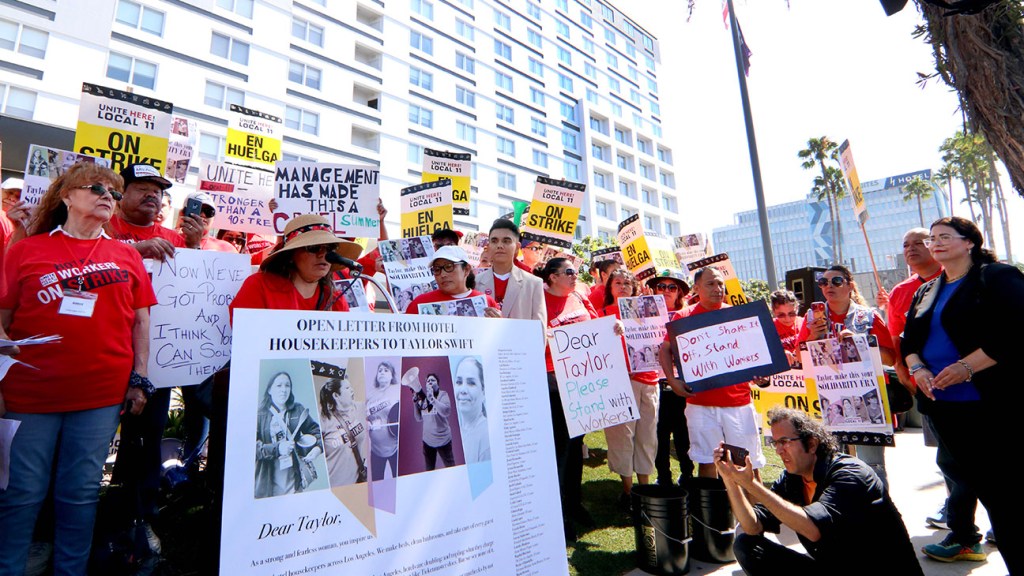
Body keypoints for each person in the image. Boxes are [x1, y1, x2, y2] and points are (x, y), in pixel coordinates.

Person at [0, 162, 157, 574]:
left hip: (101, 397)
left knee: (81, 492)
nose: (109, 196)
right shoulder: (25, 251)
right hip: (30, 395)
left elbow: (141, 321)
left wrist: (139, 378)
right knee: (21, 492)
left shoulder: (125, 255)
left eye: (115, 192)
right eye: (97, 188)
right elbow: (2, 317)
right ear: (67, 196)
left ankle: (70, 571)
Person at [902, 216, 1023, 570]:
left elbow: (1016, 331)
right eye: (932, 238)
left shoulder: (996, 277)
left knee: (1006, 497)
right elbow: (909, 340)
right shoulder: (927, 289)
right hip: (945, 411)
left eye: (944, 237)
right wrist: (919, 368)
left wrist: (966, 367)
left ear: (969, 242)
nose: (935, 243)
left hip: (992, 407)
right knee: (976, 487)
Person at [105, 163, 201, 556]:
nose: (151, 195)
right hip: (104, 354)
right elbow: (85, 255)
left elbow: (190, 288)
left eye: (157, 190)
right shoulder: (104, 226)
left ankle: (138, 519)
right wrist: (134, 251)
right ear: (120, 194)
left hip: (154, 361)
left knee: (145, 444)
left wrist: (193, 250)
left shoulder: (172, 237)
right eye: (141, 187)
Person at [718, 407, 923, 576]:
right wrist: (731, 481)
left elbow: (814, 530)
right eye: (775, 443)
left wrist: (752, 485)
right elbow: (752, 527)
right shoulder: (793, 478)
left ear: (812, 443)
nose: (779, 450)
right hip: (835, 567)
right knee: (746, 545)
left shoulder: (851, 474)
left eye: (784, 442)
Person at [881, 228, 956, 531]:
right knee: (946, 453)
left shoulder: (962, 278)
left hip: (971, 382)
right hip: (926, 385)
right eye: (905, 245)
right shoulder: (901, 292)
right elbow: (897, 341)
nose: (910, 249)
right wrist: (906, 375)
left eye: (918, 243)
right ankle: (955, 509)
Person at [659, 266, 765, 479]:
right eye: (710, 284)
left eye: (720, 283)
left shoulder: (737, 316)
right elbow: (665, 349)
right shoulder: (683, 316)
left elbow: (756, 356)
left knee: (747, 465)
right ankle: (712, 512)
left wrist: (762, 376)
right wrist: (673, 381)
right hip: (700, 405)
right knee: (708, 462)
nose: (717, 288)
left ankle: (756, 511)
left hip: (739, 403)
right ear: (696, 288)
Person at [797, 264, 894, 484]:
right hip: (828, 398)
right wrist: (813, 335)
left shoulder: (868, 316)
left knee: (873, 464)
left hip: (868, 398)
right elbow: (800, 359)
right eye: (823, 282)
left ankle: (878, 512)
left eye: (836, 281)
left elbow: (890, 358)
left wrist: (861, 343)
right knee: (831, 463)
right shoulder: (812, 317)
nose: (828, 286)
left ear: (850, 285)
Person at [539, 257, 598, 541]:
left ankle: (575, 502)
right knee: (560, 448)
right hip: (552, 380)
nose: (575, 276)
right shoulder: (538, 300)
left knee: (577, 446)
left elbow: (597, 328)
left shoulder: (579, 297)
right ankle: (559, 513)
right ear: (551, 277)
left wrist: (616, 330)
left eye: (576, 272)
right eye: (569, 272)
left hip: (582, 379)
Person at [602, 269, 659, 511]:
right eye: (617, 282)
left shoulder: (647, 311)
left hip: (650, 381)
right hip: (620, 381)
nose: (623, 286)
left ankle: (644, 488)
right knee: (622, 437)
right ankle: (628, 491)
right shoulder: (602, 314)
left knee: (647, 437)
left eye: (627, 282)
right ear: (610, 287)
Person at [230, 214, 358, 318]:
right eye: (313, 248)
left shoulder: (336, 299)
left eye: (330, 248)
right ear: (291, 255)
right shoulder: (259, 286)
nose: (323, 254)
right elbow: (246, 336)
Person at [645, 270, 694, 488]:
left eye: (671, 287)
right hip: (654, 382)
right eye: (661, 287)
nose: (665, 291)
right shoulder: (644, 314)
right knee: (659, 434)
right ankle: (663, 476)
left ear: (679, 292)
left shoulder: (687, 316)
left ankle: (687, 474)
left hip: (682, 382)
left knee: (684, 433)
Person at [106, 163, 202, 258]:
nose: (152, 195)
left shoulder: (175, 239)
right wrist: (136, 249)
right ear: (121, 193)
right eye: (142, 189)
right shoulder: (101, 227)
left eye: (157, 192)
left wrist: (194, 246)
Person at [255, 372, 323, 498]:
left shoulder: (298, 410)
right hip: (267, 486)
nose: (283, 390)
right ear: (269, 390)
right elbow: (252, 449)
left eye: (287, 386)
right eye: (279, 386)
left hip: (294, 482)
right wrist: (277, 449)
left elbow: (317, 432)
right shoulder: (259, 415)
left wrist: (317, 449)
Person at [475, 218, 546, 322]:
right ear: (489, 246)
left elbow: (539, 330)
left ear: (517, 247)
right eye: (494, 241)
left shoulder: (534, 284)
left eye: (506, 241)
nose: (499, 245)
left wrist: (504, 325)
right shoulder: (475, 282)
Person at [405, 246, 500, 315]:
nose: (443, 274)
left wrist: (498, 324)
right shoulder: (419, 304)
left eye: (449, 267)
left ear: (466, 269)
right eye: (437, 269)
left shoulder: (487, 303)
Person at [319, 377, 368, 487]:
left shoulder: (360, 408)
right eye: (347, 387)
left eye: (351, 386)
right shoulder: (324, 420)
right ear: (336, 395)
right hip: (334, 487)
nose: (352, 389)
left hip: (357, 484)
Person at [412, 372, 455, 470]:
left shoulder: (443, 394)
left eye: (433, 380)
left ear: (438, 384)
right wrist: (415, 404)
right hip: (428, 442)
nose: (430, 382)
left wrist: (433, 400)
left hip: (443, 441)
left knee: (450, 467)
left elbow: (446, 412)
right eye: (428, 381)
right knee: (429, 469)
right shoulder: (423, 398)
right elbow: (418, 418)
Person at [366, 361, 401, 480]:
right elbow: (364, 416)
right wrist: (368, 423)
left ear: (392, 376)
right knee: (377, 485)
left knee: (399, 484)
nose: (382, 372)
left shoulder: (397, 390)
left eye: (386, 370)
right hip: (376, 451)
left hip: (396, 448)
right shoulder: (370, 394)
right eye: (380, 370)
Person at [454, 357, 490, 464]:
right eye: (459, 382)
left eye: (471, 383)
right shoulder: (456, 433)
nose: (463, 390)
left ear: (483, 392)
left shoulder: (486, 438)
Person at [770, 290, 803, 367]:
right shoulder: (770, 327)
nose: (787, 319)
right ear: (774, 311)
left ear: (797, 308)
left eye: (792, 314)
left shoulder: (804, 322)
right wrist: (781, 353)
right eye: (781, 315)